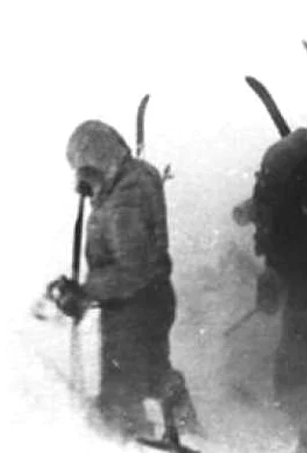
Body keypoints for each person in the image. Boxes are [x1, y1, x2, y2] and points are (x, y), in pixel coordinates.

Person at [50, 120, 201, 441]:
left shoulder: (124, 200)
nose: (81, 177)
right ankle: (185, 426)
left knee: (122, 384)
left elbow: (132, 268)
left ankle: (127, 439)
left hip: (134, 303)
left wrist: (87, 291)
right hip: (149, 297)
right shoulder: (130, 179)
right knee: (151, 369)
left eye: (83, 167)